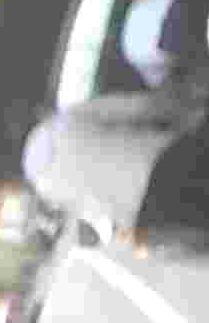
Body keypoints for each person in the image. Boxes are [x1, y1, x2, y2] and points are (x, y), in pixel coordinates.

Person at [18, 94, 183, 239]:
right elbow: (137, 107)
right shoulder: (67, 119)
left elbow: (91, 209)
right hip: (163, 155)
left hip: (146, 208)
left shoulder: (46, 188)